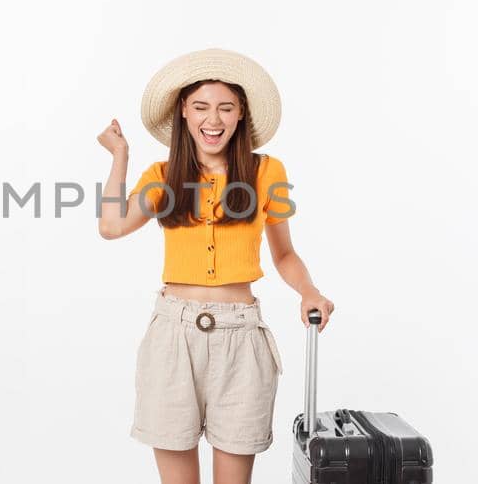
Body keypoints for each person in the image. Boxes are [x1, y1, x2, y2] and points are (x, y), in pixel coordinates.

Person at [97, 48, 334, 484]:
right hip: (173, 337)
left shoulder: (267, 172)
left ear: (241, 114)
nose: (214, 119)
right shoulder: (162, 176)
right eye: (201, 107)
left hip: (242, 339)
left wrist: (309, 292)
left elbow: (283, 253)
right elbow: (111, 226)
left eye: (226, 107)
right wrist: (120, 158)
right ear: (183, 112)